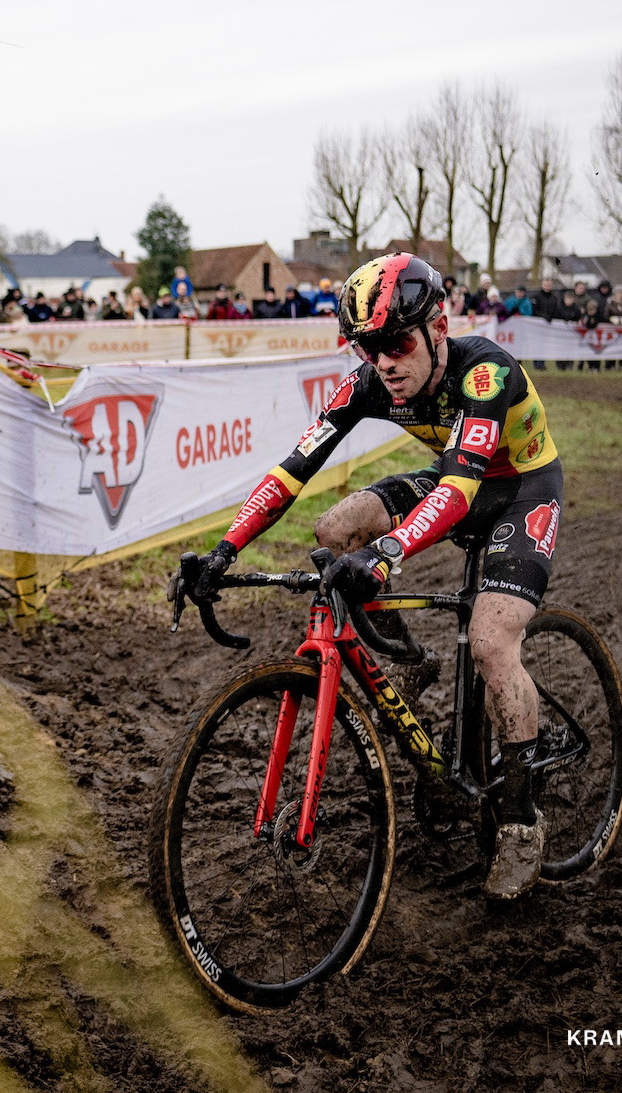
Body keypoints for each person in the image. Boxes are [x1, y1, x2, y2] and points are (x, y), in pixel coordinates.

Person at [192, 254, 563, 900]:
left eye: (396, 343)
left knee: (492, 641)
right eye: (368, 347)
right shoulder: (369, 383)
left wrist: (387, 554)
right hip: (457, 479)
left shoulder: (484, 372)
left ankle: (522, 821)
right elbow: (291, 471)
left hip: (518, 488)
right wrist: (223, 550)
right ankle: (409, 658)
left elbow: (456, 490)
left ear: (438, 327)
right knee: (337, 530)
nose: (384, 362)